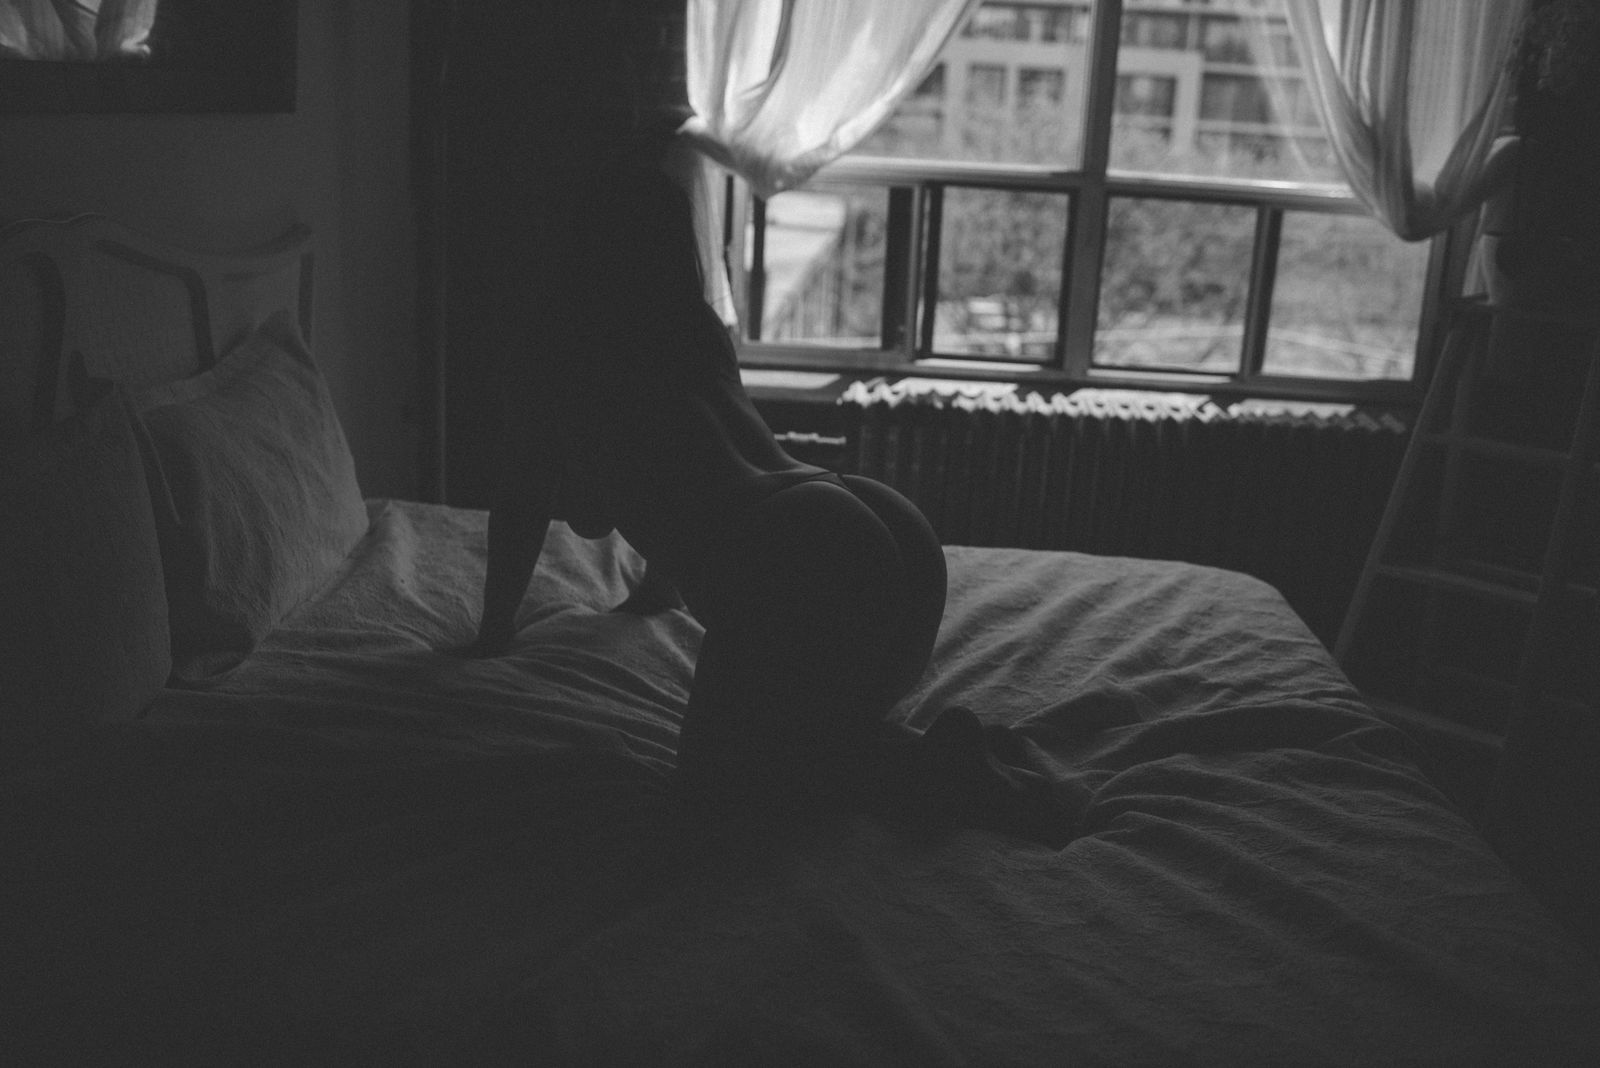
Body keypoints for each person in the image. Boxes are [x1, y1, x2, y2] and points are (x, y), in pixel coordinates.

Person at [465, 163, 949, 814]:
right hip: (879, 519)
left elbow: (525, 503)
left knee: (709, 800)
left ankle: (948, 767)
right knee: (820, 743)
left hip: (791, 548)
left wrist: (494, 631)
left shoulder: (556, 351)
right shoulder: (696, 328)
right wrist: (654, 590)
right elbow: (694, 467)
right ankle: (955, 763)